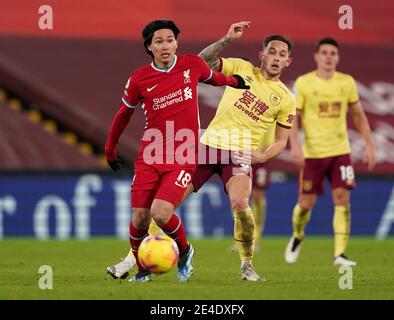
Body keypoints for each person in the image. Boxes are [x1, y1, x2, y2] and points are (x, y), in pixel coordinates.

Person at [107, 21, 296, 281]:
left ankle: (247, 266)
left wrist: (263, 156)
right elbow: (202, 61)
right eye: (272, 52)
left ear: (288, 61)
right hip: (207, 144)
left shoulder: (286, 98)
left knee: (241, 203)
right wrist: (227, 39)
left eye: (282, 55)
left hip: (239, 150)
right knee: (164, 208)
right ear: (262, 54)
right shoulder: (241, 68)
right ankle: (134, 259)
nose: (276, 58)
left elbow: (281, 141)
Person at [284, 37, 376, 267]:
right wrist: (294, 145)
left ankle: (339, 254)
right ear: (316, 56)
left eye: (332, 53)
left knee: (342, 198)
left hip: (340, 152)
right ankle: (297, 235)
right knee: (305, 204)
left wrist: (369, 143)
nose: (328, 57)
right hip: (313, 153)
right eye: (324, 52)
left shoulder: (346, 82)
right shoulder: (304, 83)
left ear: (337, 57)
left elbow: (358, 115)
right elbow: (293, 117)